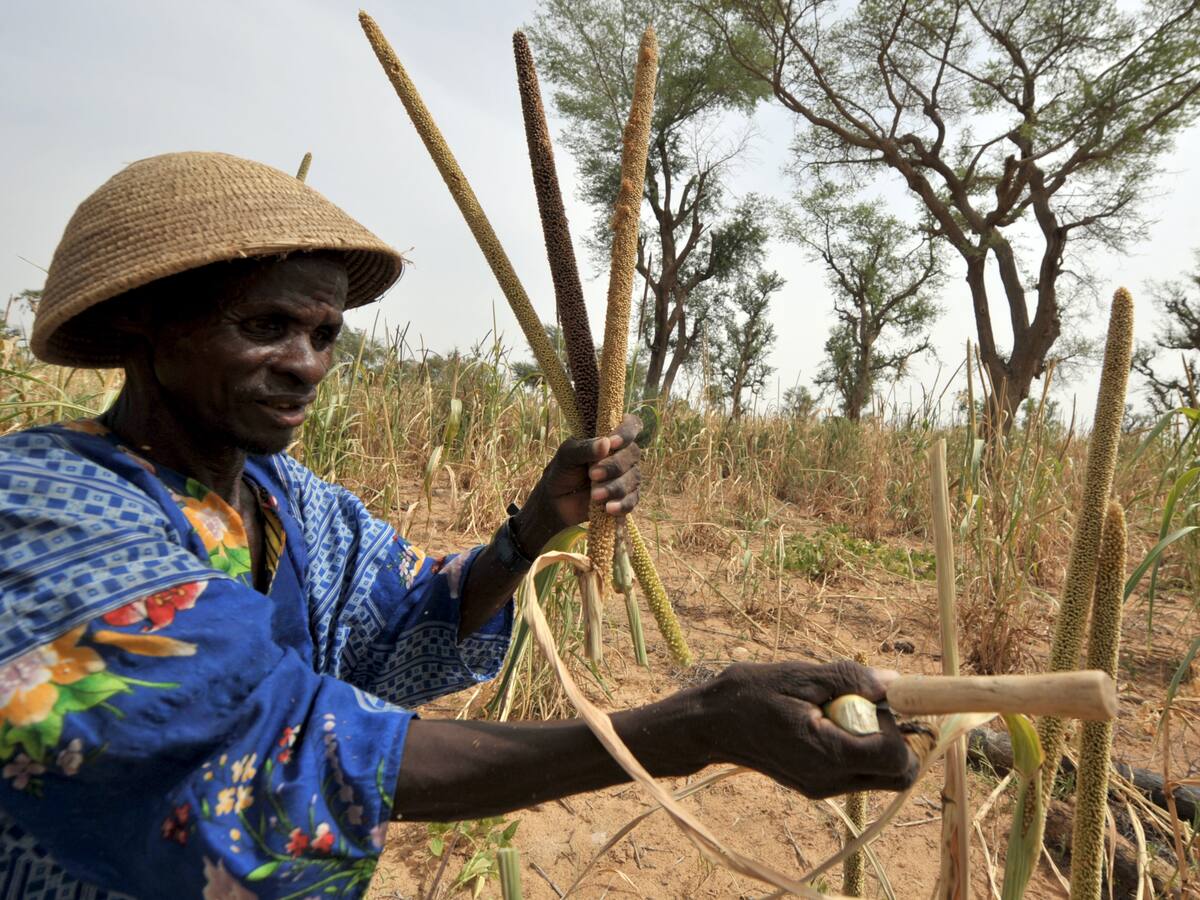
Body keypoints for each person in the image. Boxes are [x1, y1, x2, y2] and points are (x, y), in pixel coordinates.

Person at [0, 152, 916, 899]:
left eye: (324, 335)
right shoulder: (43, 509)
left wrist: (535, 526)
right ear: (142, 325)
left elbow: (412, 611)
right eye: (267, 324)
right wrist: (697, 727)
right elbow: (283, 745)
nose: (306, 365)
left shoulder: (287, 498)